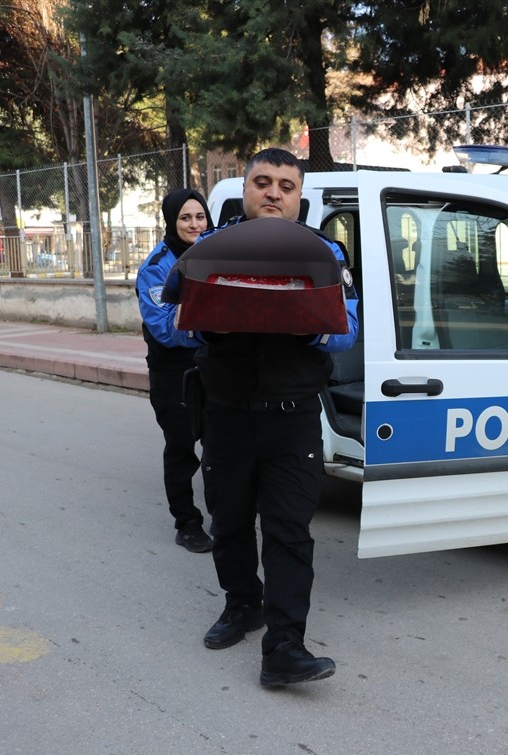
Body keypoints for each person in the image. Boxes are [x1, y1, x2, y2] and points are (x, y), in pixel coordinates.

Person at [176, 148, 359, 688]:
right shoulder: (209, 247)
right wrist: (211, 323)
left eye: (286, 184)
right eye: (263, 182)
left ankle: (285, 645)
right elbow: (172, 321)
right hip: (227, 415)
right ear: (245, 190)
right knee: (228, 520)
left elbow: (347, 329)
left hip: (293, 418)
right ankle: (242, 605)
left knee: (288, 531)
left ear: (300, 197)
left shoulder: (324, 252)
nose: (274, 192)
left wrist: (305, 323)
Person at [135, 189, 214, 553]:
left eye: (199, 216)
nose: (194, 224)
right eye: (185, 218)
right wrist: (215, 323)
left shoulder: (219, 252)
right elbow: (166, 330)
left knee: (221, 449)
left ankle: (226, 517)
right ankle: (187, 523)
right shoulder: (156, 267)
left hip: (216, 368)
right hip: (175, 374)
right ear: (171, 222)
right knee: (182, 449)